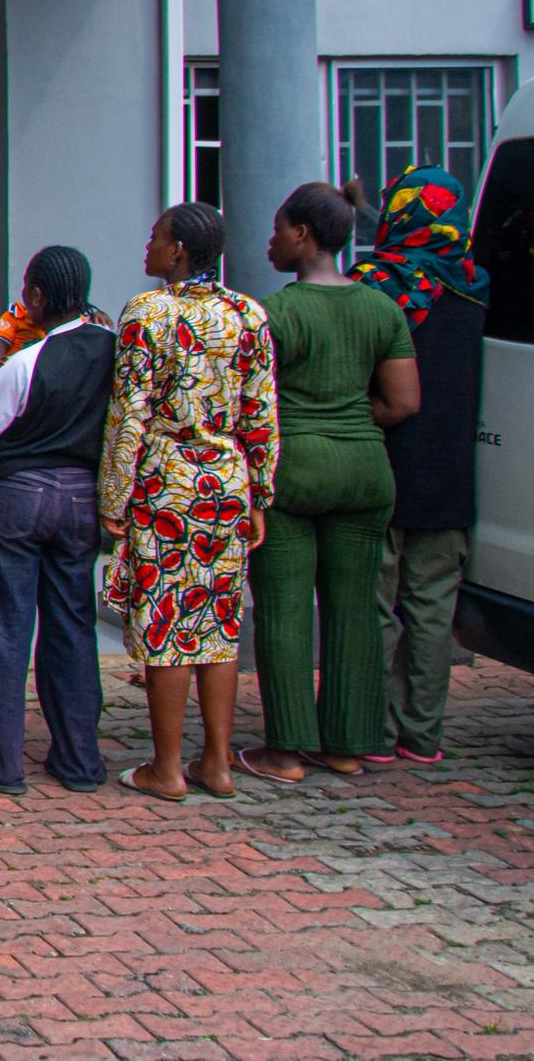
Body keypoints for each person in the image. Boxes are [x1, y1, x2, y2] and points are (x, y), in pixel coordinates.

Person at [239, 183, 419, 784]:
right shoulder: (382, 309)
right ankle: (345, 745)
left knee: (285, 607)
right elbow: (403, 402)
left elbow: (250, 405)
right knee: (355, 607)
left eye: (277, 229)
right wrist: (349, 422)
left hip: (293, 470)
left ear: (302, 235)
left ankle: (286, 750)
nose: (270, 241)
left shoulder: (274, 313)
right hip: (366, 470)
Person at [100, 204, 276, 802]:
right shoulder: (248, 314)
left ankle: (167, 768)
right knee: (218, 622)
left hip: (167, 480)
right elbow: (261, 411)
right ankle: (218, 764)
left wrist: (114, 494)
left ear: (177, 250)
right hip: (227, 480)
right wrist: (260, 491)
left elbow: (129, 412)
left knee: (166, 623)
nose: (147, 245)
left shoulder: (148, 312)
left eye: (156, 238)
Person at [0, 247, 112, 796]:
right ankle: (79, 759)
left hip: (15, 499)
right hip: (82, 498)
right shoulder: (114, 350)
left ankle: (1, 760)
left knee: (6, 629)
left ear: (37, 297)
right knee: (73, 624)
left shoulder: (26, 363)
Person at [356, 166, 489, 764]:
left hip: (384, 467)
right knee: (433, 611)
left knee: (376, 607)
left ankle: (375, 733)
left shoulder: (374, 285)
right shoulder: (476, 287)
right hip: (451, 475)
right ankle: (423, 735)